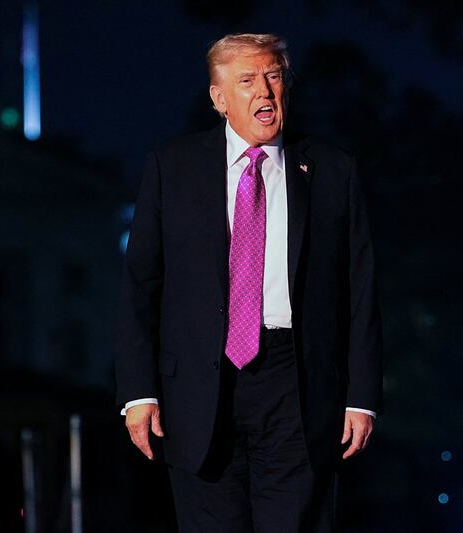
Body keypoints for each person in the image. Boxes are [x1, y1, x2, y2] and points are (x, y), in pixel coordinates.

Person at [115, 33, 382, 533]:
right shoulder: (172, 168)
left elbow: (360, 289)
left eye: (274, 76)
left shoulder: (331, 169)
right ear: (219, 98)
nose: (264, 91)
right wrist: (138, 392)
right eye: (247, 80)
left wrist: (362, 396)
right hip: (198, 387)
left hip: (297, 384)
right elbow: (140, 285)